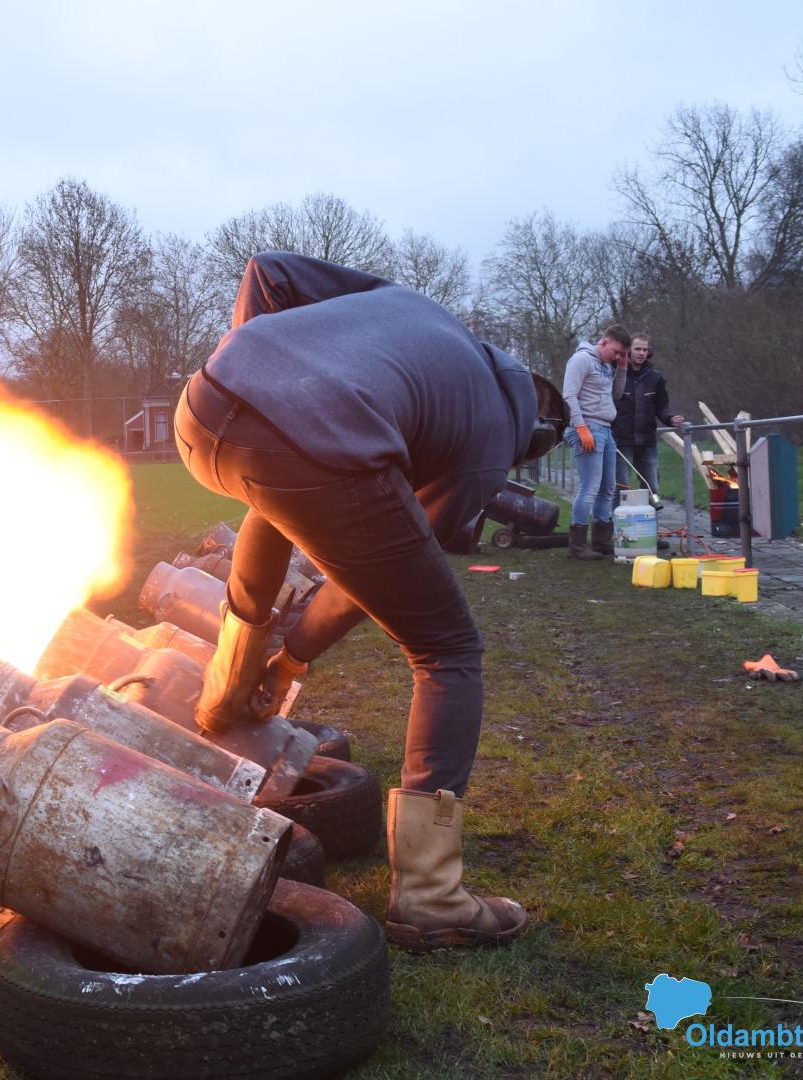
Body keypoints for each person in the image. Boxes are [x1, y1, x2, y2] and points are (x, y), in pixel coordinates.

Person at [173, 251, 568, 953]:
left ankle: (223, 692)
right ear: (532, 436)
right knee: (447, 650)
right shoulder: (488, 437)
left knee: (279, 491)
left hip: (203, 407)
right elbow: (369, 579)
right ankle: (430, 895)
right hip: (304, 441)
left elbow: (269, 273)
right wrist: (293, 660)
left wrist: (257, 366)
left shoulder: (421, 314)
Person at [560, 325, 630, 559]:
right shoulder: (581, 360)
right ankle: (577, 546)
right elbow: (569, 395)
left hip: (606, 429)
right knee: (590, 486)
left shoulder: (608, 366)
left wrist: (622, 369)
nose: (617, 356)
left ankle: (601, 541)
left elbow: (616, 395)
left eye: (621, 354)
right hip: (588, 427)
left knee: (608, 487)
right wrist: (581, 427)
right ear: (604, 342)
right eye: (616, 352)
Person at [612, 334, 684, 502]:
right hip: (621, 442)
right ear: (628, 350)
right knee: (621, 487)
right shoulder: (615, 375)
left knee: (653, 487)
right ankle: (618, 518)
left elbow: (662, 406)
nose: (641, 353)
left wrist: (671, 418)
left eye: (645, 349)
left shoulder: (656, 378)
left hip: (647, 441)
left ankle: (652, 517)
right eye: (637, 349)